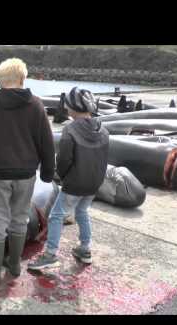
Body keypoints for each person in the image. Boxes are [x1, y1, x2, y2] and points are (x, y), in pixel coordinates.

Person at [0, 58, 55, 284]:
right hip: (26, 174)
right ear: (22, 78)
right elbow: (47, 142)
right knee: (19, 218)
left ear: (0, 82)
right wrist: (48, 172)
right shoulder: (36, 105)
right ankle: (15, 264)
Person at [28, 87, 109, 270]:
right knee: (82, 212)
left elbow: (64, 160)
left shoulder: (70, 130)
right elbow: (104, 159)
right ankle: (85, 249)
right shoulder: (103, 130)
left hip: (75, 183)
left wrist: (63, 177)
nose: (66, 109)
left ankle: (50, 255)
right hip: (94, 183)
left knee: (56, 216)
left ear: (72, 108)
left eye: (68, 106)